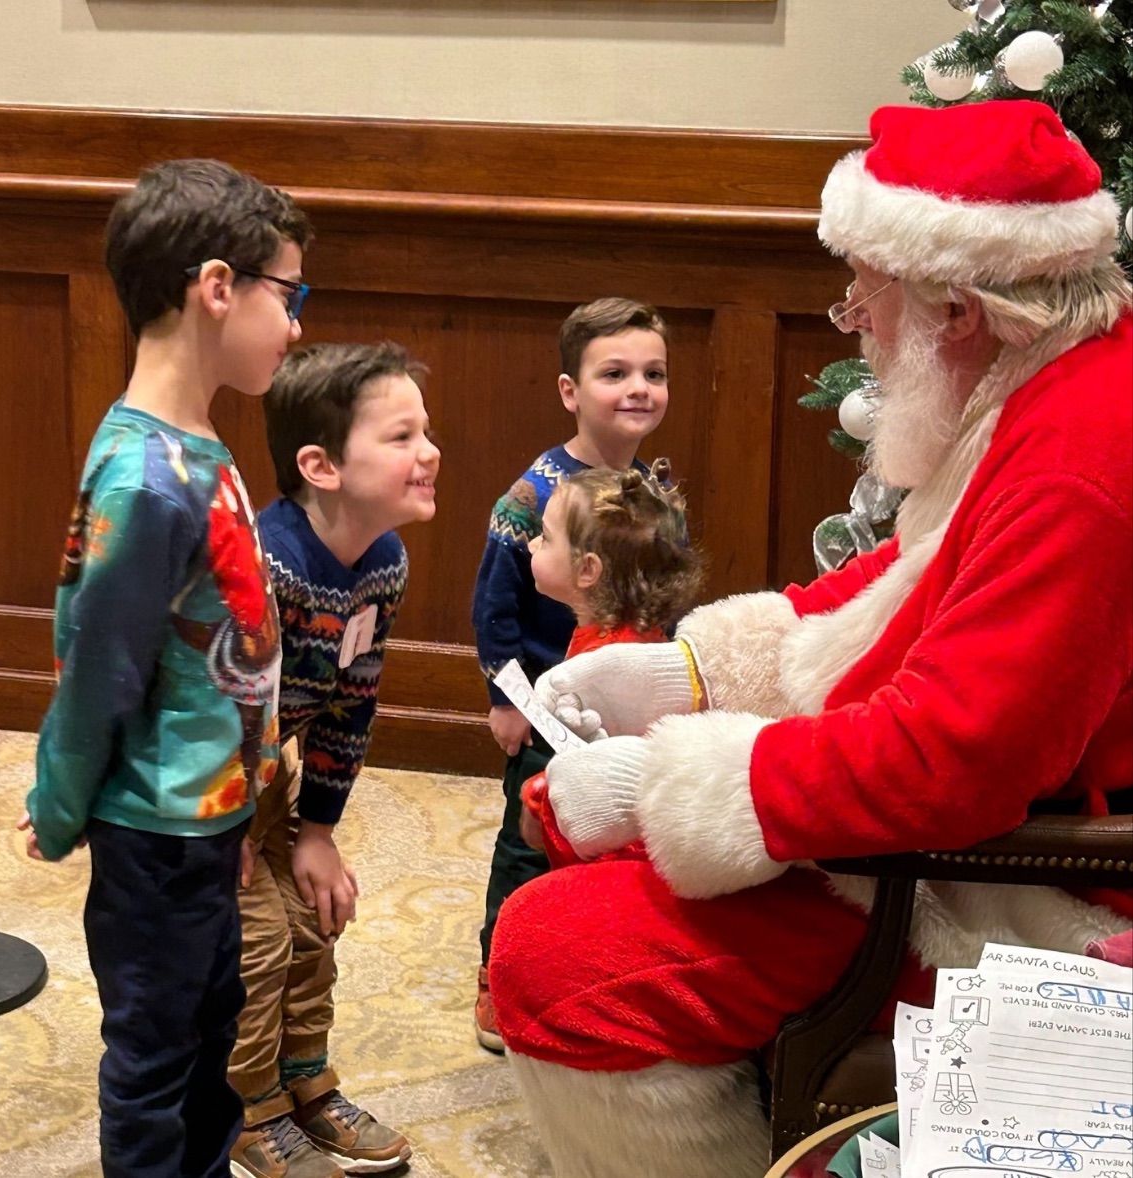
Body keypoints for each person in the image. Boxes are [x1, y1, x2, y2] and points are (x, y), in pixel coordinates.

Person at [489, 99, 1133, 1178]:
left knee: (561, 961)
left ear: (957, 309)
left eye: (864, 299)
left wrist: (665, 778)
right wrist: (686, 672)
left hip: (1010, 883)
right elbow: (914, 574)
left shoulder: (1079, 458)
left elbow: (955, 758)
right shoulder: (1051, 382)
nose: (856, 322)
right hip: (953, 835)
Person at [19, 159, 311, 1178]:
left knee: (209, 1023)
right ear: (218, 286)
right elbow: (96, 668)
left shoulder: (199, 442)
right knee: (154, 1045)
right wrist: (59, 805)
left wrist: (248, 800)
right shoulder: (146, 475)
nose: (298, 324)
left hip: (210, 815)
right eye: (291, 294)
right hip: (152, 829)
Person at [228, 342, 439, 1178]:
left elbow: (350, 704)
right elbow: (220, 709)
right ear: (320, 465)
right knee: (259, 939)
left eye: (428, 431)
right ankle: (246, 1107)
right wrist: (231, 826)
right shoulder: (265, 564)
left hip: (275, 774)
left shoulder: (382, 562)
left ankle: (304, 1084)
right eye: (401, 437)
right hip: (206, 780)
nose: (429, 453)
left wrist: (317, 830)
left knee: (316, 916)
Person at [470, 297, 670, 1051]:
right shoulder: (535, 496)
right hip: (546, 703)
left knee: (607, 838)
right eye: (615, 373)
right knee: (529, 837)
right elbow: (493, 607)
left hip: (621, 696)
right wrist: (506, 698)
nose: (638, 388)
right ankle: (498, 971)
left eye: (654, 373)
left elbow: (664, 593)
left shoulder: (649, 492)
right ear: (570, 391)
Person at [516, 459, 705, 866]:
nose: (532, 544)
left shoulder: (609, 666)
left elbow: (604, 787)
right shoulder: (621, 637)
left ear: (587, 570)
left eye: (546, 539)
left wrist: (541, 800)